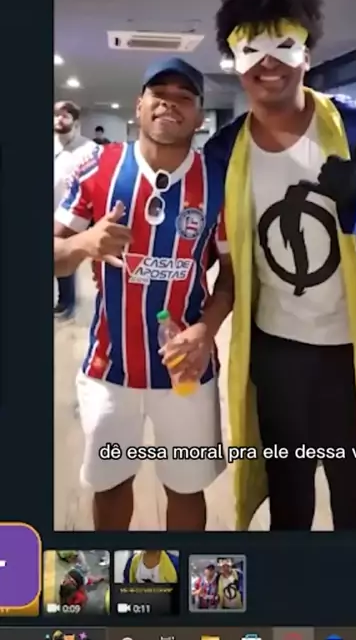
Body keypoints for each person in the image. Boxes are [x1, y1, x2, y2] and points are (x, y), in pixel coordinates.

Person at [205, 0, 356, 532]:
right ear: (234, 61)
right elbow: (204, 247)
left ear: (307, 53)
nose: (268, 63)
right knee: (289, 491)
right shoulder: (224, 151)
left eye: (284, 45)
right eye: (250, 49)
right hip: (277, 350)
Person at [54, 58, 234, 531]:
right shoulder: (98, 167)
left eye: (184, 97)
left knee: (187, 488)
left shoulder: (218, 180)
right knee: (111, 485)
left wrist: (206, 329)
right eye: (159, 93)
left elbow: (232, 276)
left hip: (187, 370)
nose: (169, 104)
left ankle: (182, 577)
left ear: (199, 116)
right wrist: (83, 243)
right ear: (139, 105)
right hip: (110, 369)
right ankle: (112, 572)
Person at [54, 100, 97, 318]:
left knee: (64, 254)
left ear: (75, 121)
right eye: (56, 115)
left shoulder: (88, 149)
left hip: (70, 213)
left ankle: (66, 301)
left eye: (64, 115)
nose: (59, 119)